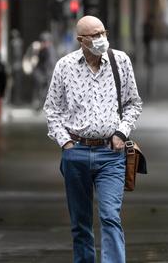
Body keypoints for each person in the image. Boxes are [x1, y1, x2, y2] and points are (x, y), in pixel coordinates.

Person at [44, 15, 143, 263]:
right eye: (94, 35)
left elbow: (133, 103)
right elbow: (52, 109)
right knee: (80, 223)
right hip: (76, 152)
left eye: (103, 33)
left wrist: (122, 132)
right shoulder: (65, 66)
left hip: (111, 153)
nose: (101, 39)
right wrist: (65, 144)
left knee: (110, 216)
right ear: (81, 40)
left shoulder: (120, 61)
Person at [33, 31, 56, 110]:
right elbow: (36, 62)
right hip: (42, 73)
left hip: (48, 73)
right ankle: (40, 104)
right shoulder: (40, 50)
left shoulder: (50, 50)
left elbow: (51, 63)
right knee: (41, 89)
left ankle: (43, 105)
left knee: (46, 90)